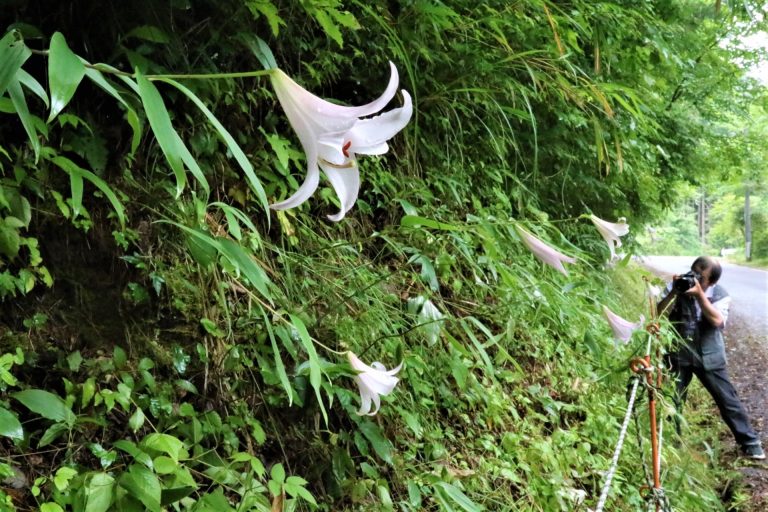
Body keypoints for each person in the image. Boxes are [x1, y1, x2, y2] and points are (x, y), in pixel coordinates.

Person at [657, 256, 765, 459]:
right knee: (673, 399)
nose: (695, 278)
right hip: (678, 352)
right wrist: (673, 292)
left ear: (712, 282)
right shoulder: (676, 287)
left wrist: (699, 295)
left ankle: (750, 443)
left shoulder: (720, 294)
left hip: (709, 355)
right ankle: (672, 444)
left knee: (727, 399)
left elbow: (717, 321)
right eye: (693, 272)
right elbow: (658, 315)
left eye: (701, 277)